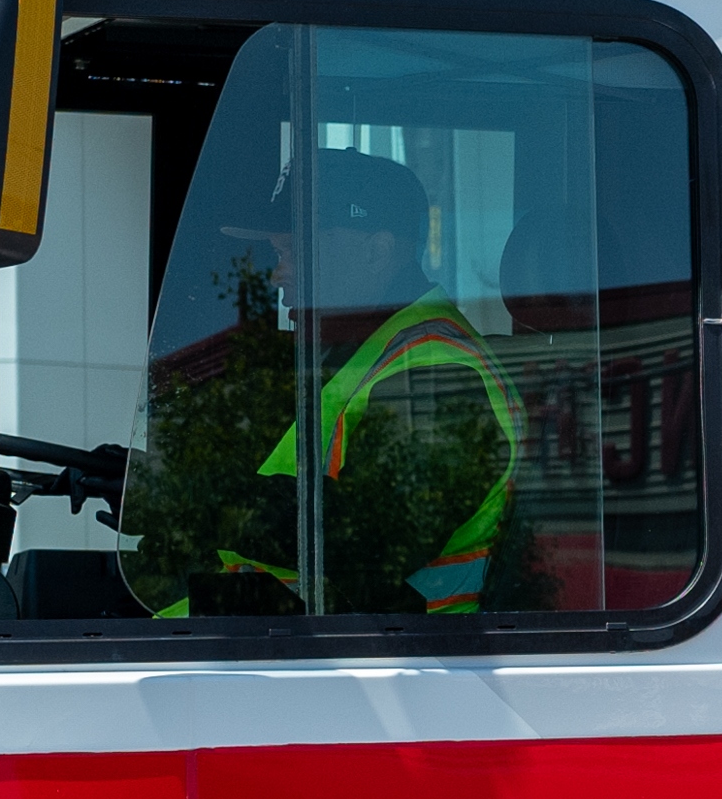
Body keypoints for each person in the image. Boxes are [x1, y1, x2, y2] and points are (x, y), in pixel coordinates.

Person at [131, 146, 534, 617]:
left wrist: (192, 500)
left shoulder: (437, 373)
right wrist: (152, 484)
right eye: (278, 252)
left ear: (376, 251)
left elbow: (372, 543)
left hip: (386, 654)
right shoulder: (356, 356)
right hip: (294, 636)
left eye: (294, 251)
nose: (277, 274)